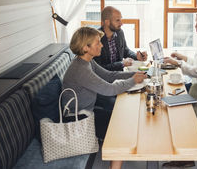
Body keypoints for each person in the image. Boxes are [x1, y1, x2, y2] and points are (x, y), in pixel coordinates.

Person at [62, 26, 147, 169]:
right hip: (77, 120)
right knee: (120, 129)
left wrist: (136, 74)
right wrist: (133, 80)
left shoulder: (86, 61)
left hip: (89, 112)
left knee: (123, 118)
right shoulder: (80, 69)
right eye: (97, 43)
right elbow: (110, 89)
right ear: (86, 48)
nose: (101, 45)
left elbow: (109, 75)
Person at [94, 6, 147, 71]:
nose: (121, 23)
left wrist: (137, 56)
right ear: (107, 22)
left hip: (120, 76)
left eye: (120, 19)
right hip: (105, 78)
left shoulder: (119, 32)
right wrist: (122, 64)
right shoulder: (95, 39)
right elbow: (99, 68)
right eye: (117, 20)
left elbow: (125, 51)